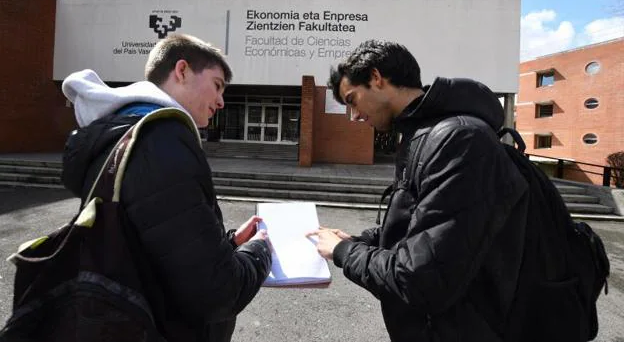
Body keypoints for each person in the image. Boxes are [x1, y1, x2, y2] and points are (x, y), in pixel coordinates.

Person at [308, 40, 530, 341]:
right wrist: (360, 240)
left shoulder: (459, 140)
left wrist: (344, 251)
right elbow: (422, 225)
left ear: (376, 78)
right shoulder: (422, 136)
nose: (355, 116)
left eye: (352, 99)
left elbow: (421, 279)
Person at [61, 33, 272, 342]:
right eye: (217, 85)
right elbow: (216, 292)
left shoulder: (125, 133)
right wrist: (262, 249)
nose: (222, 101)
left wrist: (226, 245)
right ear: (182, 70)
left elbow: (152, 248)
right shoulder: (161, 141)